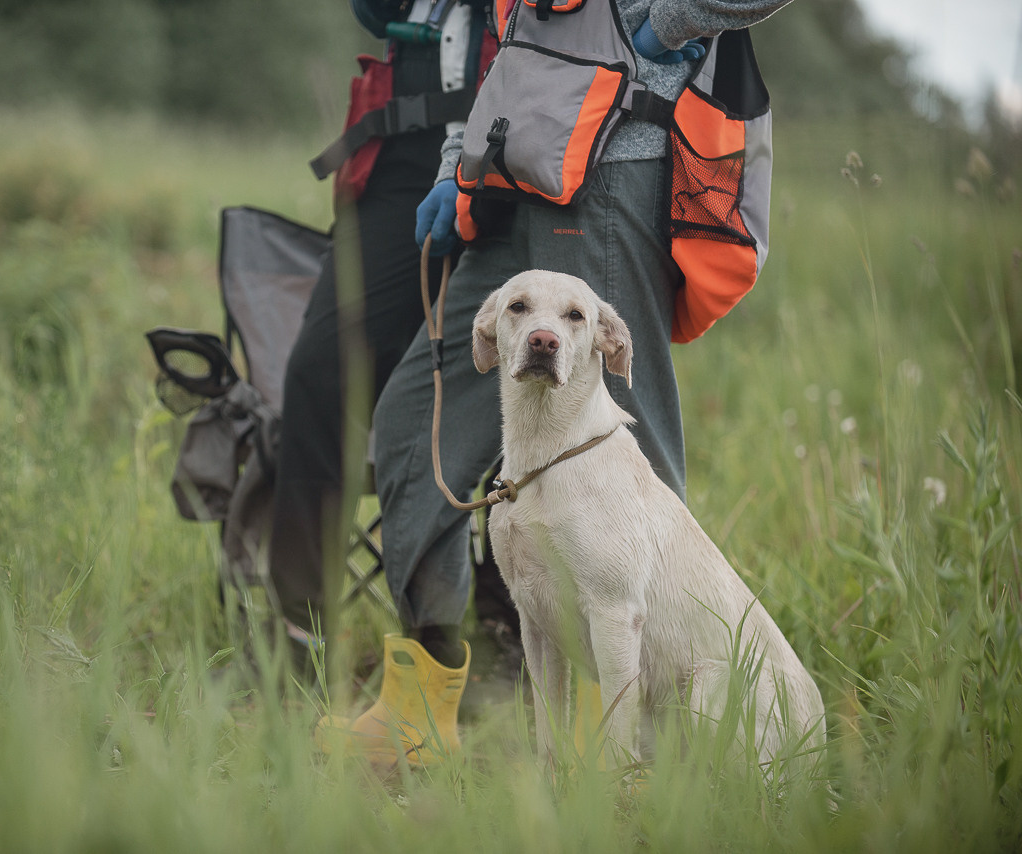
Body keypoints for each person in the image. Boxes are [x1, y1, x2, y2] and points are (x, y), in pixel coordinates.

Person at [319, 0, 797, 769]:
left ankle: (637, 747)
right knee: (416, 427)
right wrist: (455, 162)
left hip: (614, 174)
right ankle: (423, 699)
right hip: (508, 175)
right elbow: (507, 43)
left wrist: (661, 28)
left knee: (625, 476)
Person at [267, 0, 494, 661]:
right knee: (322, 366)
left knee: (523, 374)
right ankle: (300, 631)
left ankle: (512, 639)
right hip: (406, 147)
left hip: (531, 140)